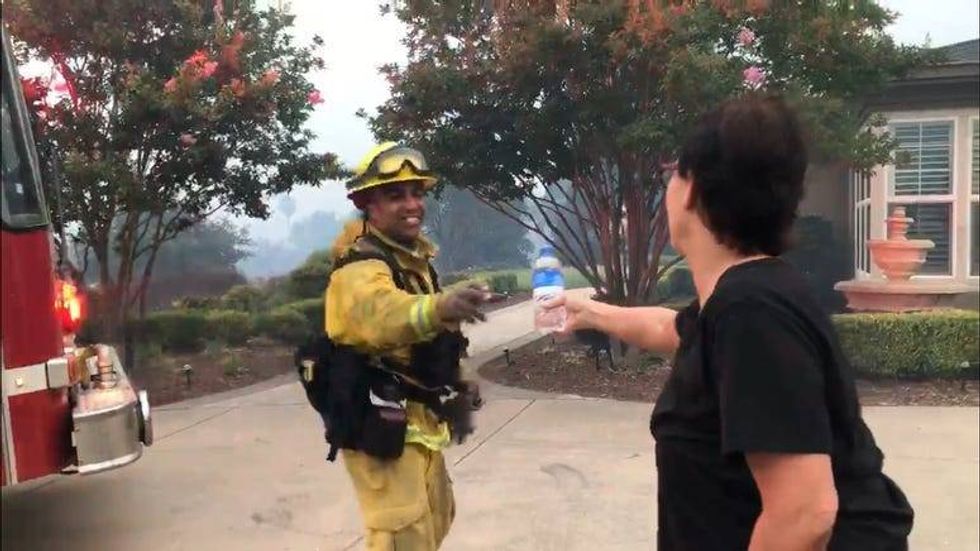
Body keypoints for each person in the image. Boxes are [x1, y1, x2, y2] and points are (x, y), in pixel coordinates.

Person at [546, 95, 914, 550]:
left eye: (672, 174)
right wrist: (595, 312)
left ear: (693, 189)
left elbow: (804, 514)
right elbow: (672, 331)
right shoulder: (738, 300)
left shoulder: (752, 312)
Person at [325, 142, 489, 550]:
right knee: (403, 536)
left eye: (417, 192)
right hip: (379, 421)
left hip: (419, 421)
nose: (411, 203)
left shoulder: (411, 262)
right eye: (395, 195)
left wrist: (462, 378)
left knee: (435, 520)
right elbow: (383, 316)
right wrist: (439, 306)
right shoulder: (358, 268)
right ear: (368, 204)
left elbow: (434, 338)